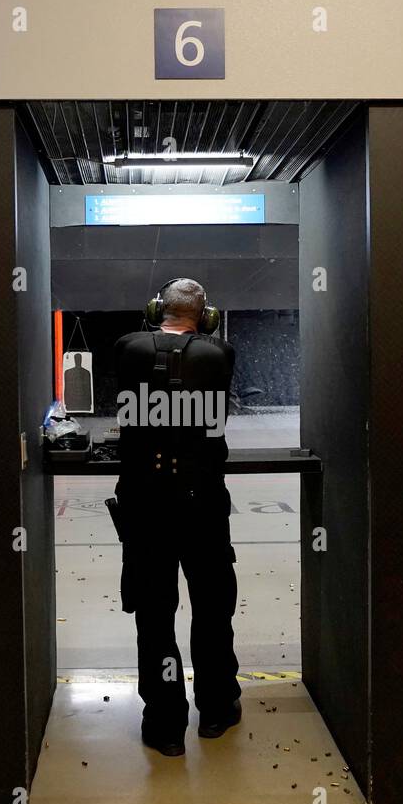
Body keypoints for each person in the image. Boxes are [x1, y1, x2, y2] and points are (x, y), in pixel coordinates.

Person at [112, 278, 241, 756]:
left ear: (153, 311)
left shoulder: (126, 348)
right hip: (202, 505)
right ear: (205, 316)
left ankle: (165, 724)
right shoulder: (218, 354)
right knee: (212, 609)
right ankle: (216, 709)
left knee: (154, 614)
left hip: (146, 506)